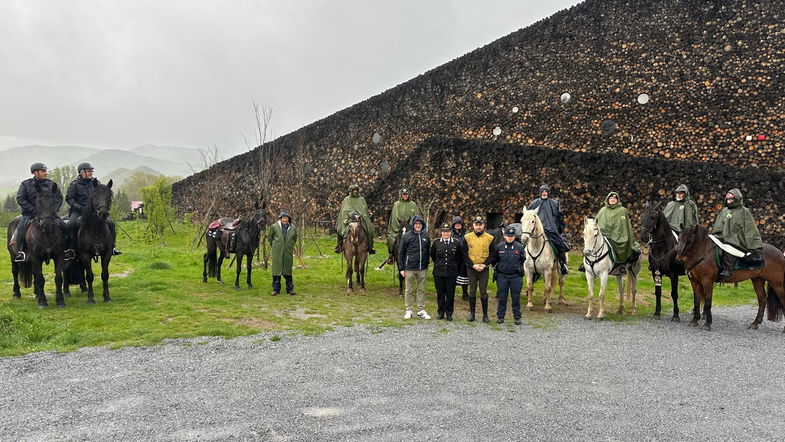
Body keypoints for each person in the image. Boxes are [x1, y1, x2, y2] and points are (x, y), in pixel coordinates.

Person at [9, 162, 66, 262]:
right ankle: (21, 252)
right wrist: (33, 210)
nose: (46, 173)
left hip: (49, 214)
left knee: (66, 227)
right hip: (30, 214)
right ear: (35, 172)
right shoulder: (25, 184)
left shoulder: (52, 184)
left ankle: (67, 250)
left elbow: (59, 198)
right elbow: (20, 198)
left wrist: (53, 210)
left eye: (45, 171)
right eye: (43, 171)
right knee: (21, 229)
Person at [66, 162, 121, 257]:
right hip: (78, 211)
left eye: (92, 171)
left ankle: (112, 247)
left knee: (111, 223)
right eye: (89, 171)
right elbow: (69, 198)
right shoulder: (74, 184)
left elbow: (101, 197)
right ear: (81, 172)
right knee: (70, 225)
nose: (91, 173)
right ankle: (72, 249)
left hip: (95, 211)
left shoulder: (96, 183)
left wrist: (100, 207)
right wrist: (79, 207)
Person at [712, 188, 763, 281]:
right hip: (723, 236)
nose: (729, 201)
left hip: (737, 238)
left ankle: (727, 269)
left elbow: (749, 227)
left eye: (731, 199)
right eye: (728, 199)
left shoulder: (744, 211)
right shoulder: (724, 210)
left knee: (729, 248)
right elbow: (719, 224)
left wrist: (753, 242)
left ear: (737, 199)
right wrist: (717, 234)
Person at [527, 184, 569, 274]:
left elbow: (560, 218)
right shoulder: (534, 203)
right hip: (536, 231)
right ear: (540, 193)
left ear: (548, 193)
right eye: (542, 191)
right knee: (523, 244)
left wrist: (559, 229)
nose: (544, 193)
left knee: (560, 245)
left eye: (546, 191)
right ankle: (524, 265)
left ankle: (563, 265)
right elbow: (528, 216)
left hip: (551, 230)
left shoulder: (554, 203)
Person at [593, 191, 640, 272]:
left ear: (617, 200)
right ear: (607, 199)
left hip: (618, 236)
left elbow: (625, 225)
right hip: (603, 235)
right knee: (591, 245)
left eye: (614, 198)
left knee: (623, 244)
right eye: (611, 198)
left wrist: (622, 234)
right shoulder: (602, 210)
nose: (612, 200)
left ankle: (622, 265)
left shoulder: (622, 210)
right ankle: (589, 264)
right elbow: (595, 222)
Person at [462, 216, 495, 323]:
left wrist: (485, 264)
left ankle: (485, 315)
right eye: (476, 224)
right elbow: (464, 254)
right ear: (473, 225)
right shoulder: (467, 237)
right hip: (472, 268)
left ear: (483, 225)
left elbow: (492, 254)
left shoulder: (490, 238)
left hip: (483, 268)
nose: (478, 226)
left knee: (483, 291)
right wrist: (472, 265)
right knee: (472, 290)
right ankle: (472, 314)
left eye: (480, 224)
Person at [398, 215, 431, 319]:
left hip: (422, 268)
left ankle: (421, 309)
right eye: (416, 224)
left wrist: (426, 264)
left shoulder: (426, 235)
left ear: (422, 225)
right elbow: (401, 253)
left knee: (421, 290)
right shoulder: (406, 236)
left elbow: (428, 250)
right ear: (413, 225)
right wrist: (402, 268)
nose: (418, 226)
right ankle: (409, 310)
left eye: (420, 224)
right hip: (409, 268)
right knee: (409, 290)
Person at [492, 227, 525, 325]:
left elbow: (523, 260)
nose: (510, 238)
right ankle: (500, 317)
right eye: (508, 236)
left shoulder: (520, 247)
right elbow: (494, 260)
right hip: (502, 276)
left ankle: (517, 317)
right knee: (502, 298)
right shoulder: (499, 247)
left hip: (515, 276)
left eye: (512, 236)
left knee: (516, 298)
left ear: (514, 237)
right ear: (504, 236)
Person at [430, 223, 462, 321]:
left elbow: (459, 258)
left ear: (450, 232)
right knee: (440, 294)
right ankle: (440, 312)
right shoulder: (436, 243)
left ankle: (449, 313)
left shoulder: (456, 243)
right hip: (439, 272)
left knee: (450, 294)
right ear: (441, 233)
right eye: (444, 232)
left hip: (451, 273)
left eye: (447, 231)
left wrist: (454, 268)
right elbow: (433, 256)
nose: (446, 233)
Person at [335, 184, 375, 254]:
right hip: (349, 219)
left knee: (370, 229)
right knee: (340, 229)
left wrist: (362, 215)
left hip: (360, 219)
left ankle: (370, 246)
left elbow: (364, 210)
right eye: (354, 190)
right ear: (351, 191)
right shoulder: (346, 199)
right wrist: (351, 215)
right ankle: (339, 245)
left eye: (356, 190)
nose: (355, 192)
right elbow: (344, 210)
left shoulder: (362, 199)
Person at [267, 211, 298, 295]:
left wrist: (289, 245)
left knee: (288, 270)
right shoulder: (274, 227)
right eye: (283, 218)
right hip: (277, 252)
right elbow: (270, 238)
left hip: (288, 252)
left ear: (289, 219)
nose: (285, 220)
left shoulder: (293, 228)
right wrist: (276, 246)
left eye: (286, 218)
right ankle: (276, 289)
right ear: (280, 219)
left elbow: (295, 238)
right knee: (277, 271)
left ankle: (290, 289)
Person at [386, 188, 419, 264]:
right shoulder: (396, 204)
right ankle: (391, 255)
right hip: (398, 226)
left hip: (410, 227)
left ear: (409, 195)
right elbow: (394, 217)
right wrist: (400, 225)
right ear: (401, 195)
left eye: (406, 194)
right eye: (403, 194)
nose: (405, 196)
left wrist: (410, 225)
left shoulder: (413, 204)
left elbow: (415, 216)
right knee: (391, 238)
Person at [451, 216, 470, 300]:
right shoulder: (450, 234)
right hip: (453, 259)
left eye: (459, 223)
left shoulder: (466, 234)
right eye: (456, 224)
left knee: (464, 277)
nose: (457, 225)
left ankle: (465, 294)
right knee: (452, 277)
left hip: (463, 259)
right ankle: (451, 294)